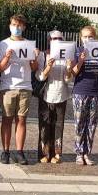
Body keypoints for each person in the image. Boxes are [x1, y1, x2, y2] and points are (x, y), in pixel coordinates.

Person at [0, 14, 39, 165]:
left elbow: (34, 68)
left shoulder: (29, 44)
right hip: (8, 86)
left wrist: (34, 58)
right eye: (14, 24)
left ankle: (20, 151)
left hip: (25, 86)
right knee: (6, 119)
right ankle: (5, 151)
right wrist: (7, 58)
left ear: (24, 27)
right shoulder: (3, 44)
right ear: (10, 25)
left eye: (19, 25)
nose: (17, 28)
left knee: (21, 120)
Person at [68, 26, 98, 165]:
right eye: (85, 36)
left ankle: (87, 153)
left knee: (91, 125)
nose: (87, 39)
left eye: (90, 36)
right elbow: (73, 72)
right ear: (81, 38)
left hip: (96, 92)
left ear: (94, 37)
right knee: (79, 124)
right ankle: (79, 153)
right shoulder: (78, 51)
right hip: (80, 91)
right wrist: (80, 61)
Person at [36, 30, 72, 164]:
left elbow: (68, 79)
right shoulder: (43, 55)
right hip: (46, 94)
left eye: (59, 38)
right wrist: (48, 67)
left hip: (61, 94)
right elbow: (40, 77)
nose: (56, 40)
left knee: (59, 125)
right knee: (44, 126)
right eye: (53, 38)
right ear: (48, 40)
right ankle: (44, 153)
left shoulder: (66, 56)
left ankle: (57, 153)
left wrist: (68, 68)